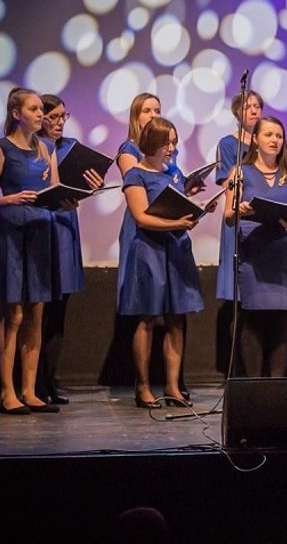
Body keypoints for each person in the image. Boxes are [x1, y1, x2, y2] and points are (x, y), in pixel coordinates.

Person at [0, 87, 64, 415]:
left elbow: (53, 190)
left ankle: (30, 390)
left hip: (42, 231)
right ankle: (8, 392)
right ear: (17, 114)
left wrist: (65, 199)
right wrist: (11, 199)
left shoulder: (46, 147)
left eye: (41, 109)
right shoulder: (1, 150)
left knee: (36, 314)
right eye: (34, 109)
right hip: (14, 233)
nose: (41, 114)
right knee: (14, 314)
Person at [117, 117, 210, 408]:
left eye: (173, 141)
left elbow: (174, 201)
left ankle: (172, 386)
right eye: (166, 142)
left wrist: (195, 204)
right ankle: (143, 387)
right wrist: (175, 222)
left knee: (176, 319)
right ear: (152, 143)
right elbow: (142, 216)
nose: (171, 148)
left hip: (176, 249)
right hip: (149, 251)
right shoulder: (136, 174)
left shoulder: (174, 172)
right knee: (146, 319)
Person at [224, 116, 287, 377]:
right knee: (253, 317)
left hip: (281, 250)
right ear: (255, 139)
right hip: (253, 250)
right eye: (269, 135)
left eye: (279, 136)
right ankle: (253, 384)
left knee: (281, 318)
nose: (274, 140)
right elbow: (228, 216)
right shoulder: (239, 172)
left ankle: (277, 385)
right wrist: (242, 209)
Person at [36, 94, 104, 405]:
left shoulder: (70, 147)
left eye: (64, 116)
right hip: (42, 228)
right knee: (40, 311)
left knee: (59, 310)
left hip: (65, 228)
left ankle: (49, 379)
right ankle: (32, 381)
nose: (61, 122)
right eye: (54, 116)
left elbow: (82, 185)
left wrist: (92, 183)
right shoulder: (32, 149)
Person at [214, 90, 263, 346]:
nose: (254, 110)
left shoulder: (269, 141)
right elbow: (227, 183)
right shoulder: (228, 144)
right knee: (239, 295)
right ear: (237, 113)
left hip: (263, 221)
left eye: (257, 106)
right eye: (248, 106)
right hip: (238, 217)